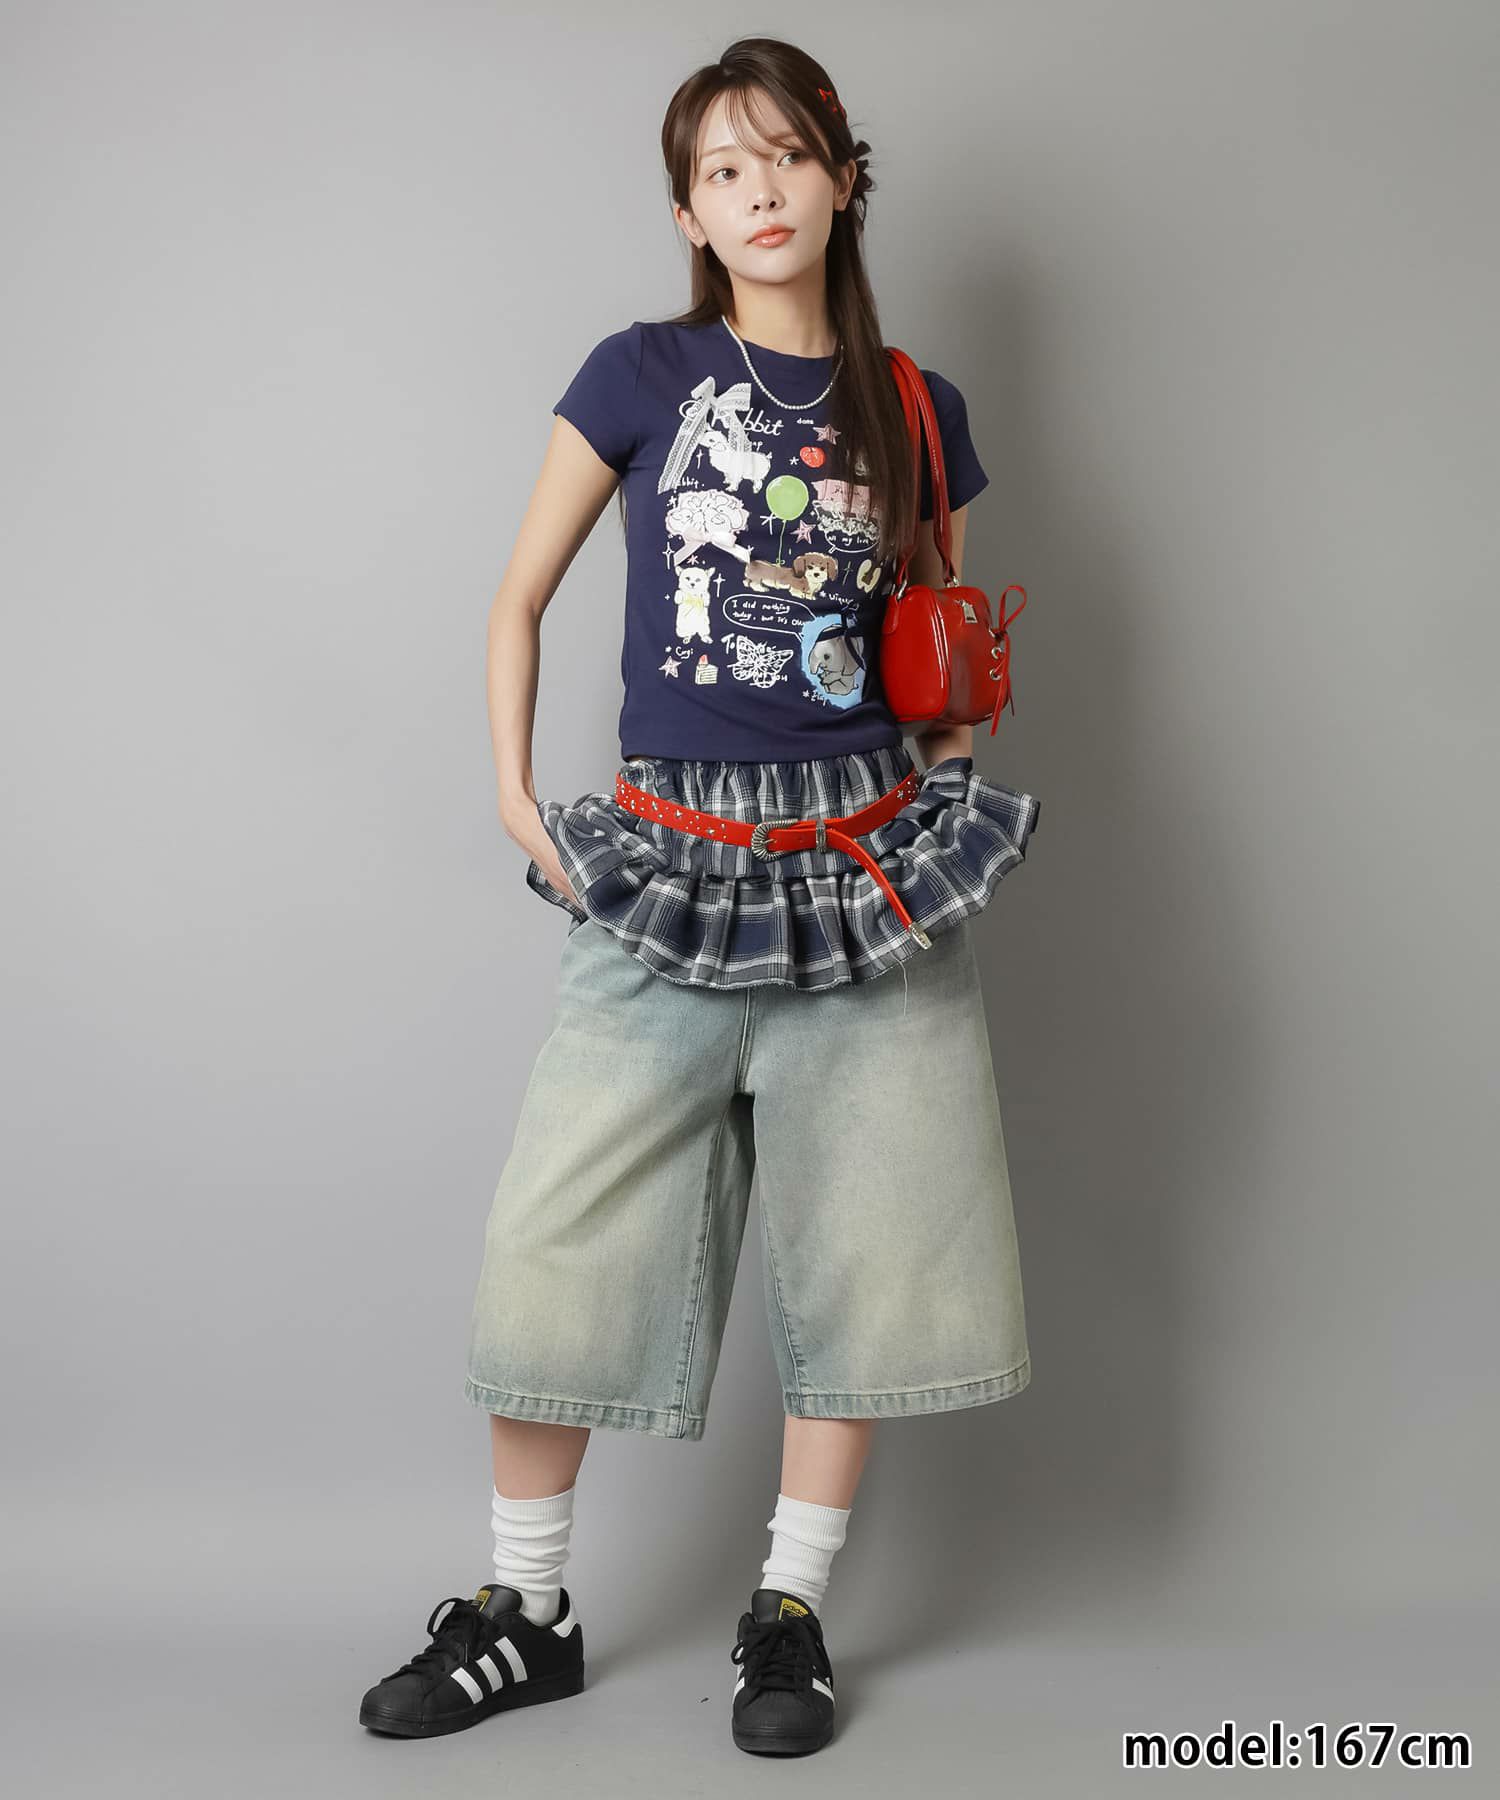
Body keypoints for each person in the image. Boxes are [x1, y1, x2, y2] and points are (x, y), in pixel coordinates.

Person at [358, 35, 1041, 1759]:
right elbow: (518, 596)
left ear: (843, 180)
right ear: (689, 213)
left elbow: (940, 643)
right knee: (560, 1241)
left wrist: (949, 772)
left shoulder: (919, 407)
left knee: (870, 1248)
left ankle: (789, 1611)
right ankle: (527, 1611)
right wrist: (517, 794)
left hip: (863, 862)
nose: (759, 192)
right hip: (670, 854)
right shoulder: (643, 370)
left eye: (786, 157)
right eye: (723, 171)